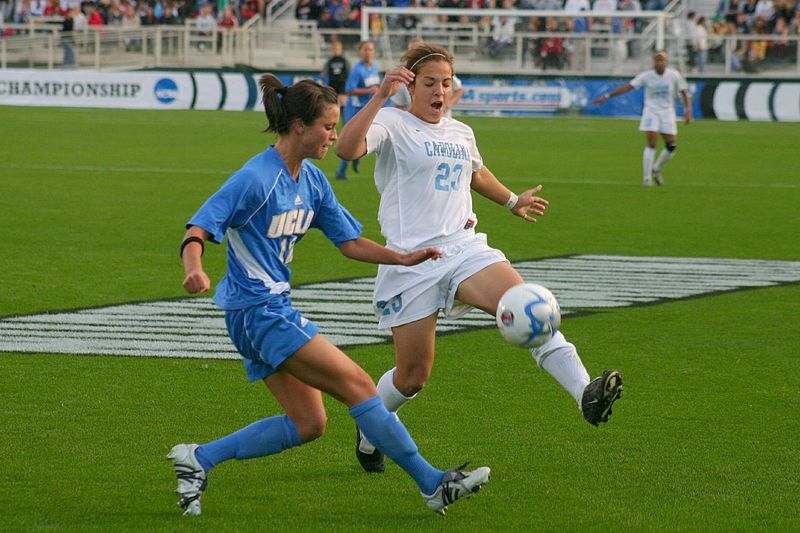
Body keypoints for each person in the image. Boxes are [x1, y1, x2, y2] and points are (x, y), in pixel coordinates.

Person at [167, 74, 490, 517]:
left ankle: (198, 458)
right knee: (358, 384)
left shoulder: (313, 181)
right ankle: (433, 484)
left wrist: (403, 258)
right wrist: (194, 269)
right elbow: (198, 228)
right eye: (327, 127)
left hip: (266, 310)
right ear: (299, 126)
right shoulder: (256, 179)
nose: (334, 136)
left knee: (309, 423)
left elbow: (350, 242)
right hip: (257, 311)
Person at [335, 43, 623, 474]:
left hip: (465, 248)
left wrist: (512, 201)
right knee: (412, 376)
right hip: (410, 261)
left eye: (446, 83)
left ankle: (586, 390)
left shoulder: (460, 131)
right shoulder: (392, 122)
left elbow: (475, 173)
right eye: (429, 83)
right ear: (410, 86)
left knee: (530, 308)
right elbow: (346, 149)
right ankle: (372, 425)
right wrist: (379, 97)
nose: (439, 91)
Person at [594, 50, 691, 187]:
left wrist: (688, 111)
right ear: (654, 62)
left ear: (666, 62)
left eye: (662, 60)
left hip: (668, 112)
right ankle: (646, 179)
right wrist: (607, 96)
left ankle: (656, 167)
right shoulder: (647, 76)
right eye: (657, 60)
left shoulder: (674, 75)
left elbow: (684, 93)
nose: (659, 63)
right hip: (651, 112)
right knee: (652, 143)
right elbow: (628, 87)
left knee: (672, 146)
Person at [336, 40, 380, 180]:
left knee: (362, 138)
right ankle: (341, 172)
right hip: (354, 110)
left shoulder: (374, 68)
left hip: (365, 109)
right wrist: (369, 90)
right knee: (350, 139)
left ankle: (356, 159)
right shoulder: (357, 70)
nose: (368, 52)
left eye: (370, 49)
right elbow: (349, 90)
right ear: (360, 52)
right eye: (365, 49)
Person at [320, 40, 350, 117]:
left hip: (342, 84)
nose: (336, 51)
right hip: (332, 84)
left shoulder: (344, 61)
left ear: (341, 50)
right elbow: (324, 72)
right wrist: (323, 80)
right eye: (335, 49)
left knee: (343, 102)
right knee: (332, 103)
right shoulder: (330, 61)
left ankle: (343, 119)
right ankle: (332, 117)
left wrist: (347, 83)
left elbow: (349, 72)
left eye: (338, 49)